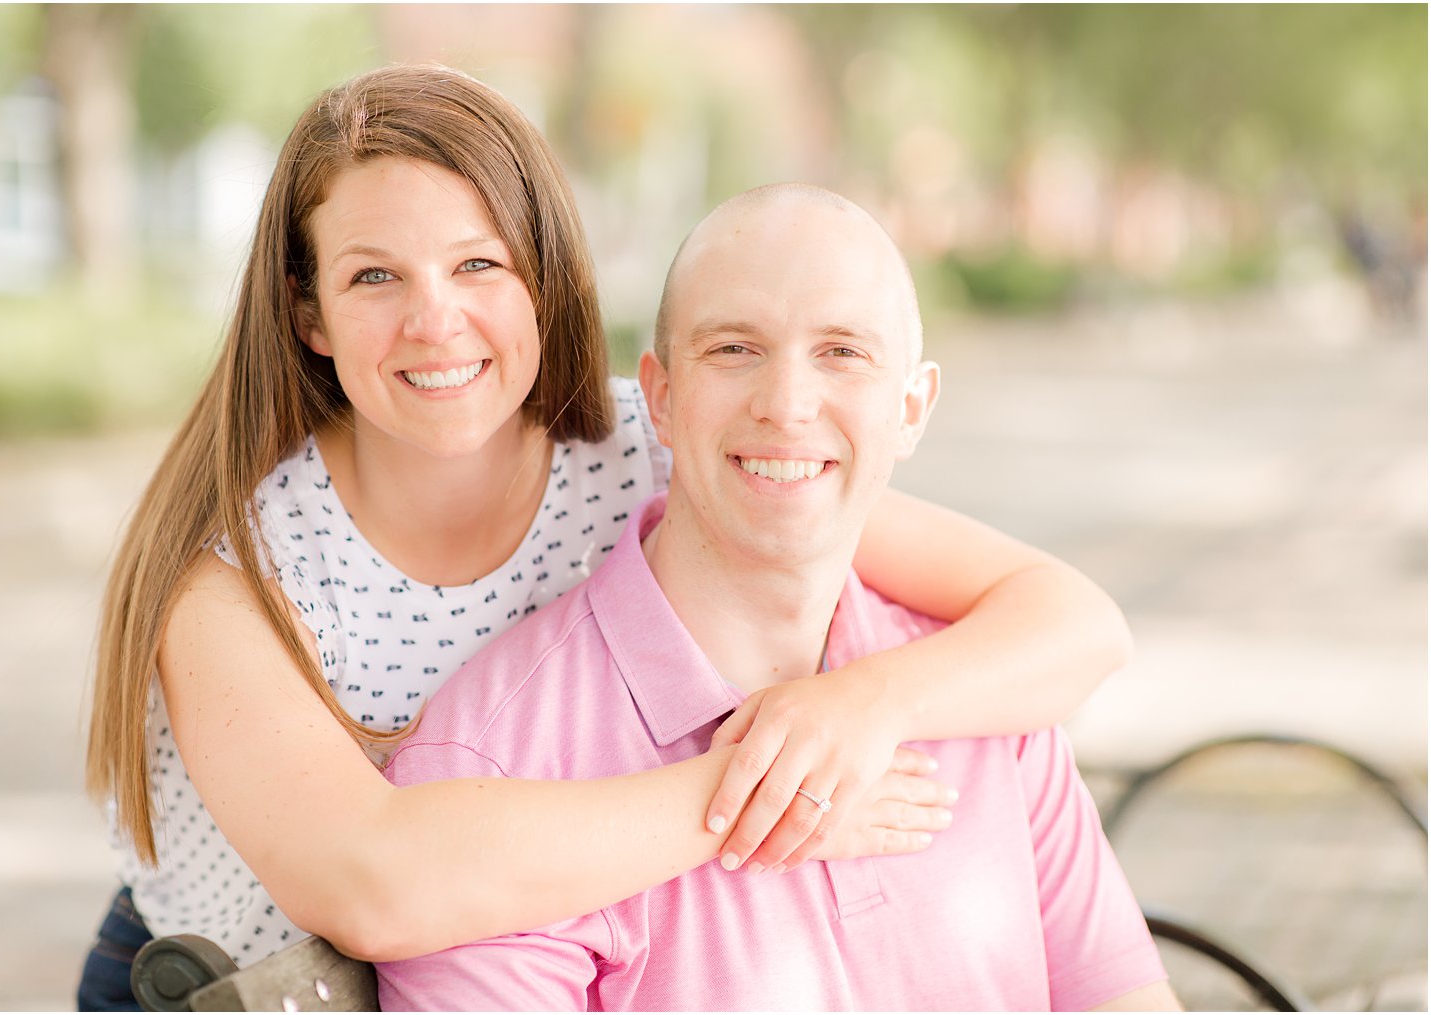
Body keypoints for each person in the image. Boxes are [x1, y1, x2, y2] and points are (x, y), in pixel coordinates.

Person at [79, 65, 1134, 1009]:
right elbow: (376, 886)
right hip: (242, 981)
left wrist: (856, 707)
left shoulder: (657, 442)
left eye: (478, 265)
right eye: (373, 277)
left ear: (543, 279)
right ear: (308, 316)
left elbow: (1070, 623)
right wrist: (779, 790)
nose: (434, 319)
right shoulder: (235, 581)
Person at [377, 184, 1179, 1011]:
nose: (787, 405)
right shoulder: (494, 771)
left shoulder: (986, 698)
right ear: (658, 395)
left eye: (842, 353)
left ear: (911, 409)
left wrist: (874, 703)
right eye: (734, 349)